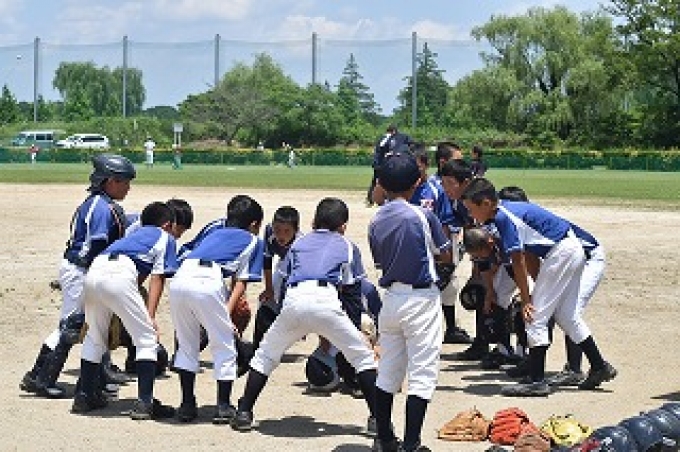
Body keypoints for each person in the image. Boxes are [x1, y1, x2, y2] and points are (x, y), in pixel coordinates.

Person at [231, 198, 378, 437]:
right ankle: (378, 420)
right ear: (343, 226)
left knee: (265, 355)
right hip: (327, 301)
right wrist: (351, 332)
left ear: (313, 221)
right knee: (363, 358)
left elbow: (284, 283)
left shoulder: (299, 243)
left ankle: (244, 412)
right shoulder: (348, 245)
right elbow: (352, 294)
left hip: (295, 300)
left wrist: (291, 321)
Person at [461, 178, 617, 397]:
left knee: (534, 315)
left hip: (562, 253)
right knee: (567, 315)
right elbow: (530, 254)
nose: (471, 214)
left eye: (472, 209)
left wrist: (527, 299)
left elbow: (518, 261)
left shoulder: (504, 217)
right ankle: (599, 366)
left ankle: (536, 381)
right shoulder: (505, 211)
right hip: (570, 250)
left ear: (486, 203)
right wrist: (537, 289)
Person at [20, 154, 136, 399]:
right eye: (124, 181)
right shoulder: (100, 207)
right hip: (81, 270)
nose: (128, 187)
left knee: (94, 323)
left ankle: (98, 378)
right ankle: (40, 379)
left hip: (84, 270)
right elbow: (95, 247)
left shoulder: (103, 204)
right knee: (71, 326)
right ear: (109, 181)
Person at [368, 152, 453, 452]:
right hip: (421, 299)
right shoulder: (422, 215)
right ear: (417, 182)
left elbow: (381, 261)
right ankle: (412, 443)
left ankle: (385, 439)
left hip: (391, 299)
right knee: (422, 375)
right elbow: (445, 253)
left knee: (388, 372)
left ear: (381, 183)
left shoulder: (376, 219)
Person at [71, 202, 178, 419]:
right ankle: (145, 403)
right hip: (119, 275)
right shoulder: (165, 238)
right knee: (147, 339)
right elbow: (158, 278)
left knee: (94, 337)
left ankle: (83, 397)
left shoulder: (132, 236)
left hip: (95, 272)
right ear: (167, 225)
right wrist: (150, 315)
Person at [496, 186, 607, 387]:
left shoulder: (524, 221)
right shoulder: (525, 224)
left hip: (589, 259)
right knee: (557, 312)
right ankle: (598, 366)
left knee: (565, 311)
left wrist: (534, 297)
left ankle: (574, 370)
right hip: (569, 259)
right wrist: (538, 292)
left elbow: (526, 260)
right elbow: (531, 259)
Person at [169, 195, 265, 424]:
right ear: (254, 224)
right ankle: (223, 406)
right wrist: (226, 313)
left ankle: (187, 405)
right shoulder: (254, 240)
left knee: (187, 344)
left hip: (181, 279)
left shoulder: (214, 231)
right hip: (209, 280)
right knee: (224, 345)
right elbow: (241, 282)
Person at [253, 206, 302, 349]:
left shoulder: (300, 244)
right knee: (265, 302)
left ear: (296, 230)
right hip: (282, 265)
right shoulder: (269, 231)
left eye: (287, 231)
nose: (281, 235)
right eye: (277, 230)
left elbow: (296, 277)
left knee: (285, 307)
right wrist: (269, 289)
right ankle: (257, 346)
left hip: (296, 274)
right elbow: (267, 260)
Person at [366, 124, 412, 206]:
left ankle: (371, 200)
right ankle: (375, 199)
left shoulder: (383, 138)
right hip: (382, 164)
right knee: (381, 181)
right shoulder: (389, 138)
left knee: (377, 181)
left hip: (380, 163)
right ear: (394, 131)